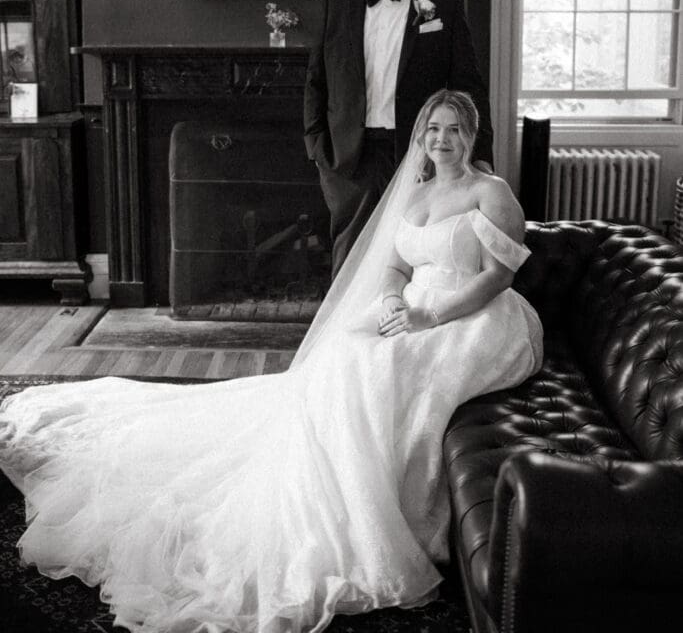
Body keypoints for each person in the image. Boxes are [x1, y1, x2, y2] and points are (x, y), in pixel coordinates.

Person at [0, 89, 542, 633]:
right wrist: (398, 302)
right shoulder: (416, 194)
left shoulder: (488, 193)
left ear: (471, 134)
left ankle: (376, 510)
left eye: (453, 129)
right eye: (433, 129)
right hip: (414, 308)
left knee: (379, 373)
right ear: (421, 138)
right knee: (341, 353)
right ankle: (326, 479)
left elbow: (499, 277)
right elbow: (396, 269)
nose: (442, 140)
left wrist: (434, 315)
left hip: (472, 317)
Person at [304, 0, 494, 279]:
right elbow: (316, 81)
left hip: (419, 155)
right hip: (348, 160)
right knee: (350, 263)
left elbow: (468, 87)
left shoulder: (445, 4)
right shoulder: (336, 1)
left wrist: (480, 155)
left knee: (414, 258)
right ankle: (349, 339)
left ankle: (399, 337)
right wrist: (317, 147)